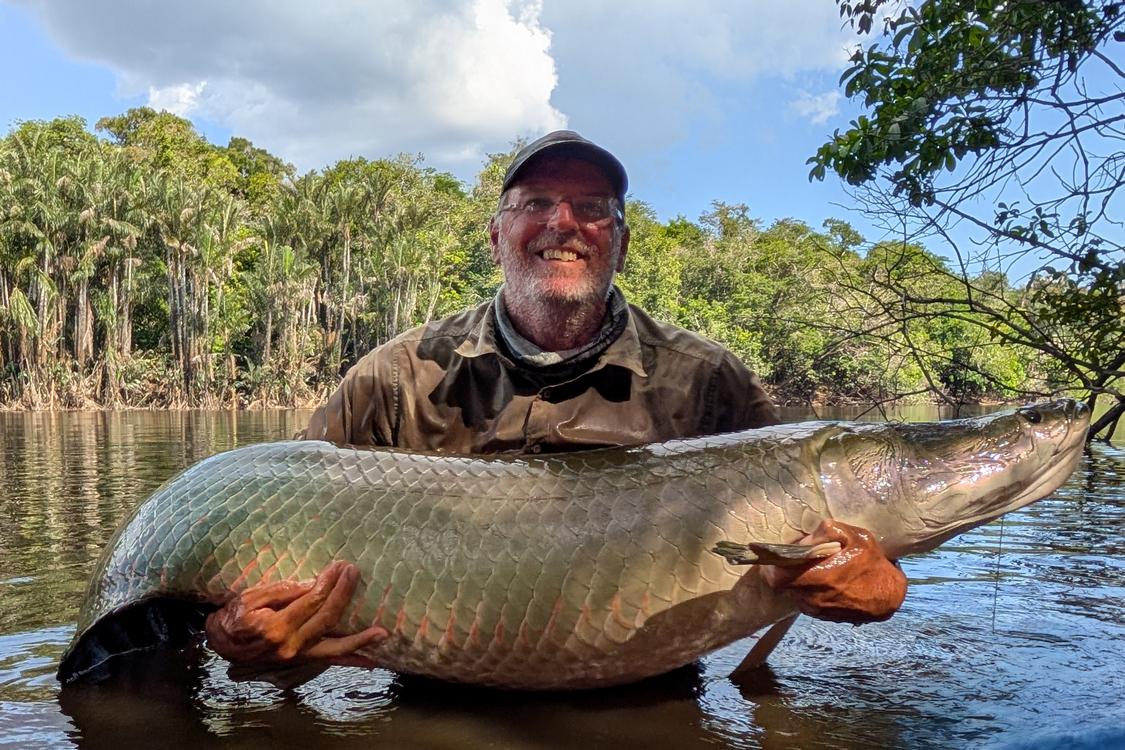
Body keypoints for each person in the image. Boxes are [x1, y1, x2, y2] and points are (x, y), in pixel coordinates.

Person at [205, 131, 908, 669]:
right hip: (425, 693)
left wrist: (882, 588)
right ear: (496, 237)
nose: (563, 223)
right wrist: (232, 631)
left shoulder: (708, 380)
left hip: (652, 699)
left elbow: (821, 545)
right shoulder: (396, 376)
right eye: (536, 203)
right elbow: (278, 536)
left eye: (593, 210)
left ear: (621, 246)